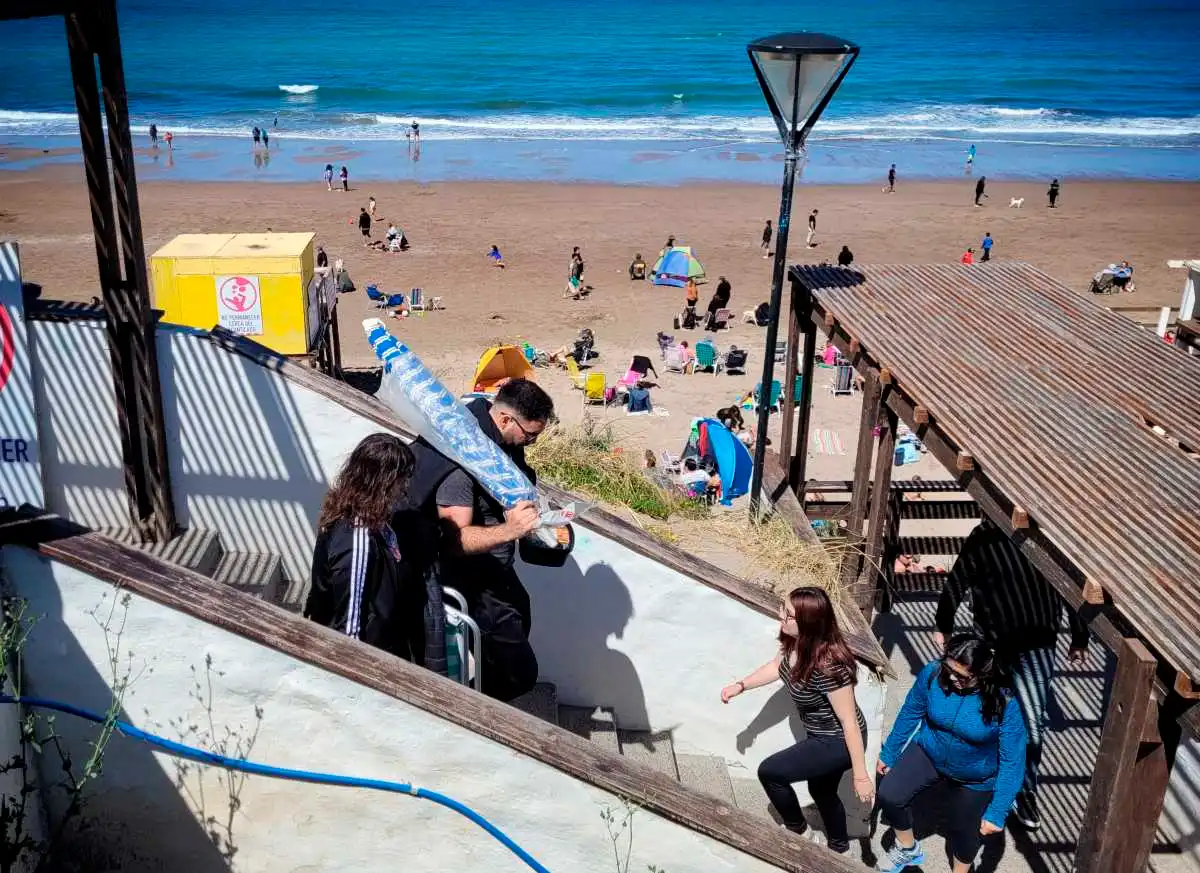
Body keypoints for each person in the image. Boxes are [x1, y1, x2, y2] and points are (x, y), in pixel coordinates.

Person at [933, 517, 1089, 830]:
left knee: (1032, 723)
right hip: (992, 642)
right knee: (987, 711)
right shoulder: (986, 536)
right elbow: (958, 579)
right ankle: (982, 777)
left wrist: (1079, 634)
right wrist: (944, 623)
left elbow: (1071, 584)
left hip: (1038, 643)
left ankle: (1025, 790)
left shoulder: (1050, 532)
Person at [402, 380, 553, 702]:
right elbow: (452, 541)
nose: (533, 442)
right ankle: (485, 719)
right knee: (518, 673)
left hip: (495, 572)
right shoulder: (463, 465)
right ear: (503, 419)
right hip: (469, 581)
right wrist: (509, 531)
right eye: (530, 435)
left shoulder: (499, 446)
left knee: (520, 620)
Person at [722, 587, 872, 855]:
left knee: (771, 772)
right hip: (820, 735)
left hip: (838, 741)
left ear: (807, 623)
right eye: (784, 608)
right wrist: (741, 685)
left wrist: (860, 776)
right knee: (822, 791)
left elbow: (849, 722)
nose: (781, 615)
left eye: (788, 614)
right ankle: (841, 850)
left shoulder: (829, 665)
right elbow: (776, 666)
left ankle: (800, 831)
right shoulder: (793, 642)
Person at [875, 633, 1026, 873]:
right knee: (890, 794)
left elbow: (1013, 761)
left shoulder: (1005, 702)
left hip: (976, 774)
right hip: (930, 750)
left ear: (982, 675)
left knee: (964, 832)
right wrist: (890, 751)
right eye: (949, 669)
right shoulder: (934, 673)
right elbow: (911, 711)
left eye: (963, 677)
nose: (953, 678)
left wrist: (998, 810)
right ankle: (907, 849)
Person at [304, 434, 426, 660]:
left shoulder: (367, 519)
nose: (405, 487)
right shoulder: (357, 541)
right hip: (371, 655)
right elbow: (349, 629)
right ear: (384, 482)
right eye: (402, 479)